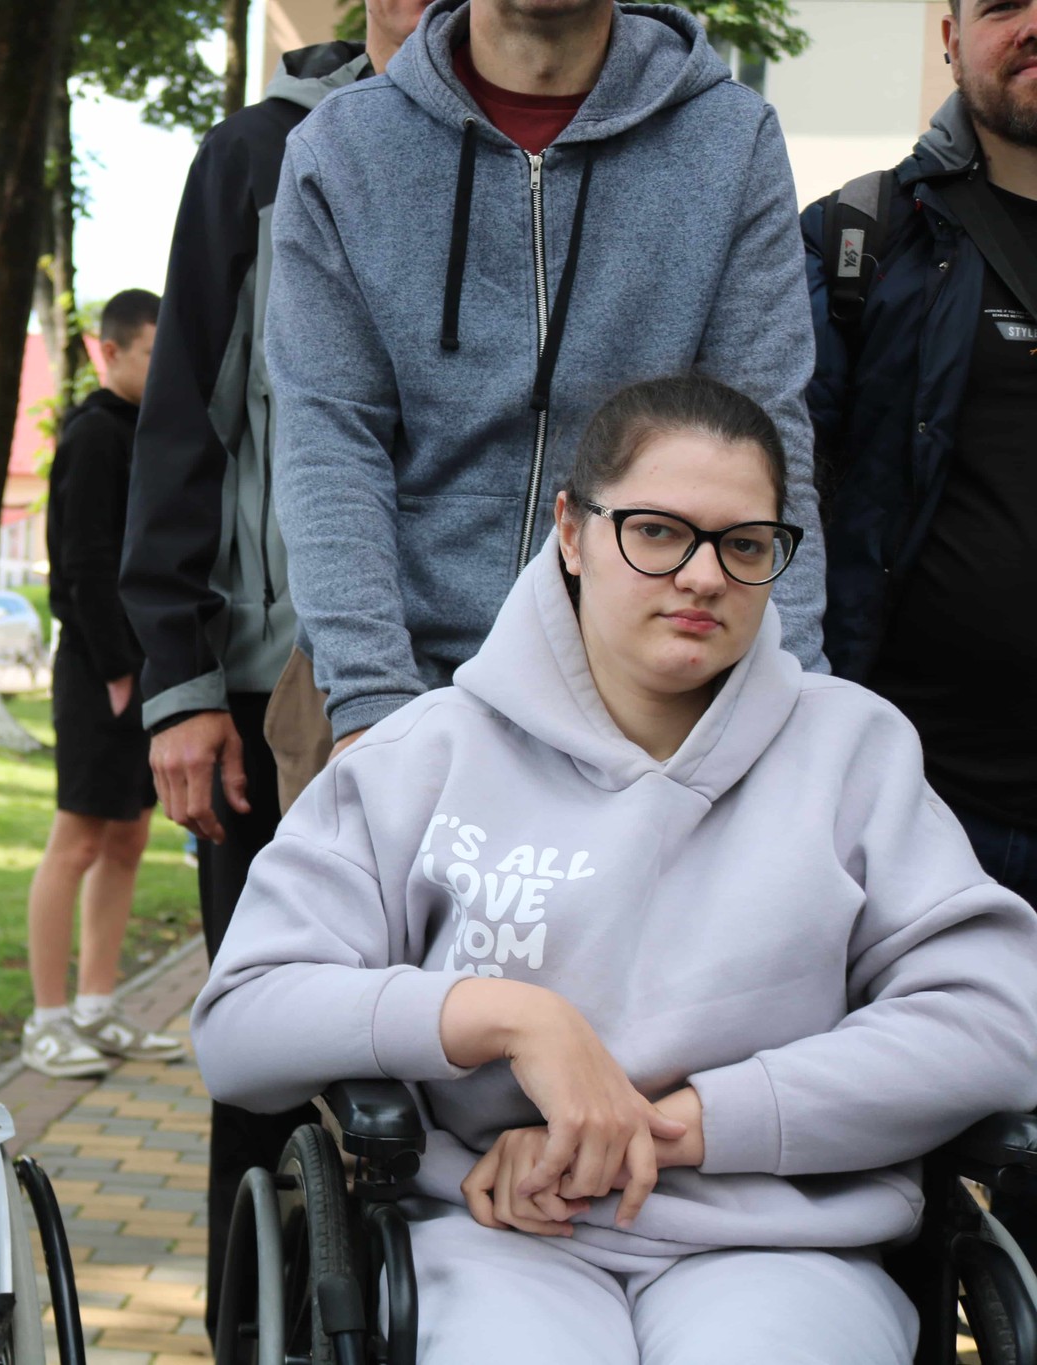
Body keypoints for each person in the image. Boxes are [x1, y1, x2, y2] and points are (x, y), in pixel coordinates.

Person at [194, 376, 1037, 1364]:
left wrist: (681, 1126)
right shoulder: (421, 757)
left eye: (744, 545)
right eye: (657, 532)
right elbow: (241, 1021)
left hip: (779, 1243)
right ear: (570, 530)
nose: (702, 576)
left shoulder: (853, 752)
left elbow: (994, 1016)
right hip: (492, 1229)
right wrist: (503, 1016)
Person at [265, 0, 829, 771]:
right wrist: (373, 703)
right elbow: (328, 439)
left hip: (646, 705)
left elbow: (766, 442)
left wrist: (791, 694)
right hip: (388, 684)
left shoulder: (729, 139)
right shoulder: (343, 146)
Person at [120, 3, 430, 1315]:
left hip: (477, 684)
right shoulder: (255, 154)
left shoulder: (549, 165)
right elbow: (181, 422)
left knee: (445, 1050)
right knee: (267, 1056)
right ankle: (254, 1326)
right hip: (263, 693)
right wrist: (183, 684)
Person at [806, 2, 1037, 914]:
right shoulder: (859, 240)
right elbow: (776, 499)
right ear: (949, 40)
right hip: (915, 808)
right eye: (1002, 4)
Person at [21, 288, 183, 1078]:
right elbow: (82, 567)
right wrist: (118, 670)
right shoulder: (92, 435)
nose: (167, 364)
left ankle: (96, 1006)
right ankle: (47, 1020)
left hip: (144, 670)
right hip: (99, 671)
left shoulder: (150, 430)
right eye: (154, 350)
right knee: (79, 839)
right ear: (110, 353)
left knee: (128, 837)